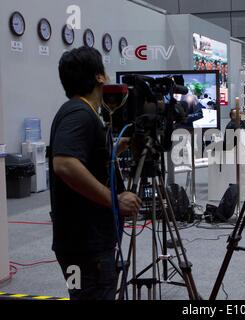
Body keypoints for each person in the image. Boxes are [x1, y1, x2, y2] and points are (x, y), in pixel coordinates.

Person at [49, 47, 142, 300]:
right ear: (99, 77)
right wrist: (115, 198)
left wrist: (111, 150)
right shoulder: (80, 114)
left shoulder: (75, 110)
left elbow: (80, 158)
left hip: (80, 243)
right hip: (86, 248)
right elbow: (65, 163)